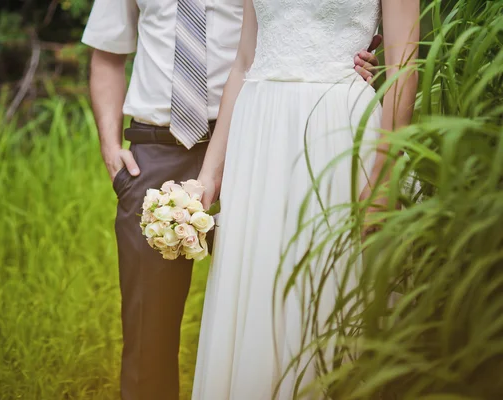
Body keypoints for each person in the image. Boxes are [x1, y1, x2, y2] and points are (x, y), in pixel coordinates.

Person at [81, 0, 382, 398]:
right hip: (157, 151)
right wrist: (109, 145)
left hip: (260, 141)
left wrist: (353, 57)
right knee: (147, 321)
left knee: (268, 298)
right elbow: (107, 52)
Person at [192, 0, 419, 398]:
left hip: (334, 128)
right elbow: (244, 62)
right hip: (258, 133)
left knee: (331, 287)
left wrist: (384, 176)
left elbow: (403, 62)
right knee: (257, 285)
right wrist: (209, 175)